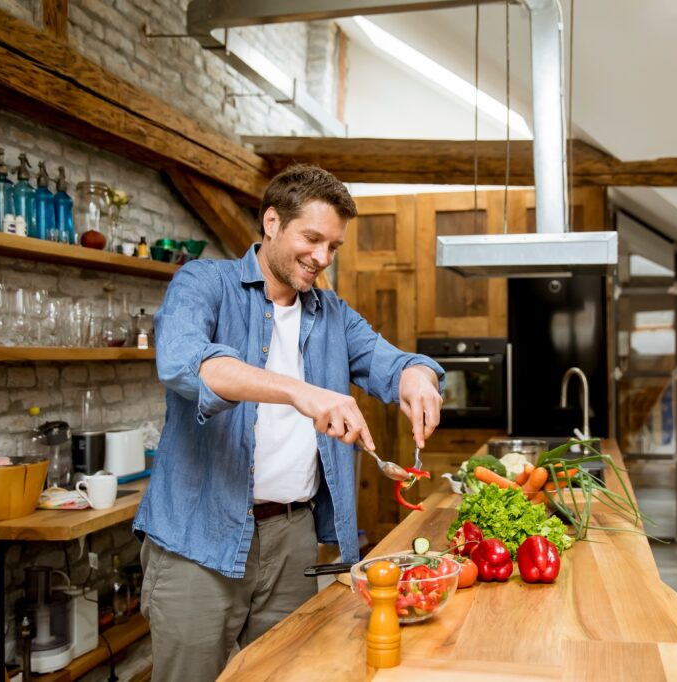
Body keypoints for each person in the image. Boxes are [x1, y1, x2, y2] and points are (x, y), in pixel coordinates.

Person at [133, 164, 444, 681]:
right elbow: (187, 363)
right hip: (197, 539)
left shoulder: (332, 314)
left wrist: (416, 377)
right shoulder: (203, 283)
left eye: (333, 247)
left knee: (289, 674)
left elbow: (390, 362)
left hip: (293, 538)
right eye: (313, 238)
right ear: (272, 222)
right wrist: (300, 391)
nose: (322, 258)